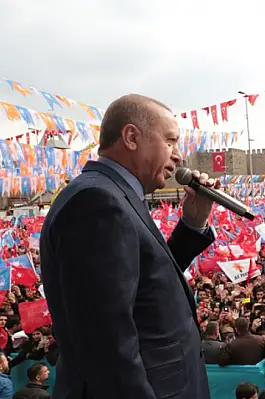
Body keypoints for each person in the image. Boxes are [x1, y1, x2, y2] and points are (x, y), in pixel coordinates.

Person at [40, 94, 220, 399]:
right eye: (171, 141)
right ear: (131, 137)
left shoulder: (115, 195)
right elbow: (106, 343)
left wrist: (191, 225)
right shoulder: (98, 202)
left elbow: (143, 285)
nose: (178, 156)